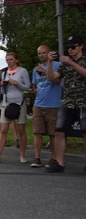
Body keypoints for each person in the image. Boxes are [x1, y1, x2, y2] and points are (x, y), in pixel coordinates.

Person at [44, 35, 86, 173]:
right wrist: (50, 62)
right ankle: (59, 163)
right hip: (67, 101)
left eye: (73, 47)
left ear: (81, 46)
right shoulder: (64, 64)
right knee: (59, 132)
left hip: (83, 102)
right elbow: (51, 77)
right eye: (68, 47)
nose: (70, 50)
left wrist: (72, 63)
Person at [0, 52, 31, 163]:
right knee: (3, 130)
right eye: (7, 60)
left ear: (16, 60)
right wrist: (2, 85)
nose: (8, 61)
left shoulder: (22, 71)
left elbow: (28, 87)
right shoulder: (4, 73)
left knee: (21, 130)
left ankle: (22, 155)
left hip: (19, 103)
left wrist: (17, 83)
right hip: (7, 103)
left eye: (11, 59)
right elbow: (3, 92)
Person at [30, 45, 62, 168]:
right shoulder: (35, 69)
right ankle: (37, 157)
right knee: (37, 132)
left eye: (44, 53)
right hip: (38, 103)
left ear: (49, 53)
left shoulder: (57, 65)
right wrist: (33, 89)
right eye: (39, 53)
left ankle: (54, 158)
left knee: (53, 133)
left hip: (53, 104)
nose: (41, 55)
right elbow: (35, 85)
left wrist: (44, 71)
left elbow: (57, 81)